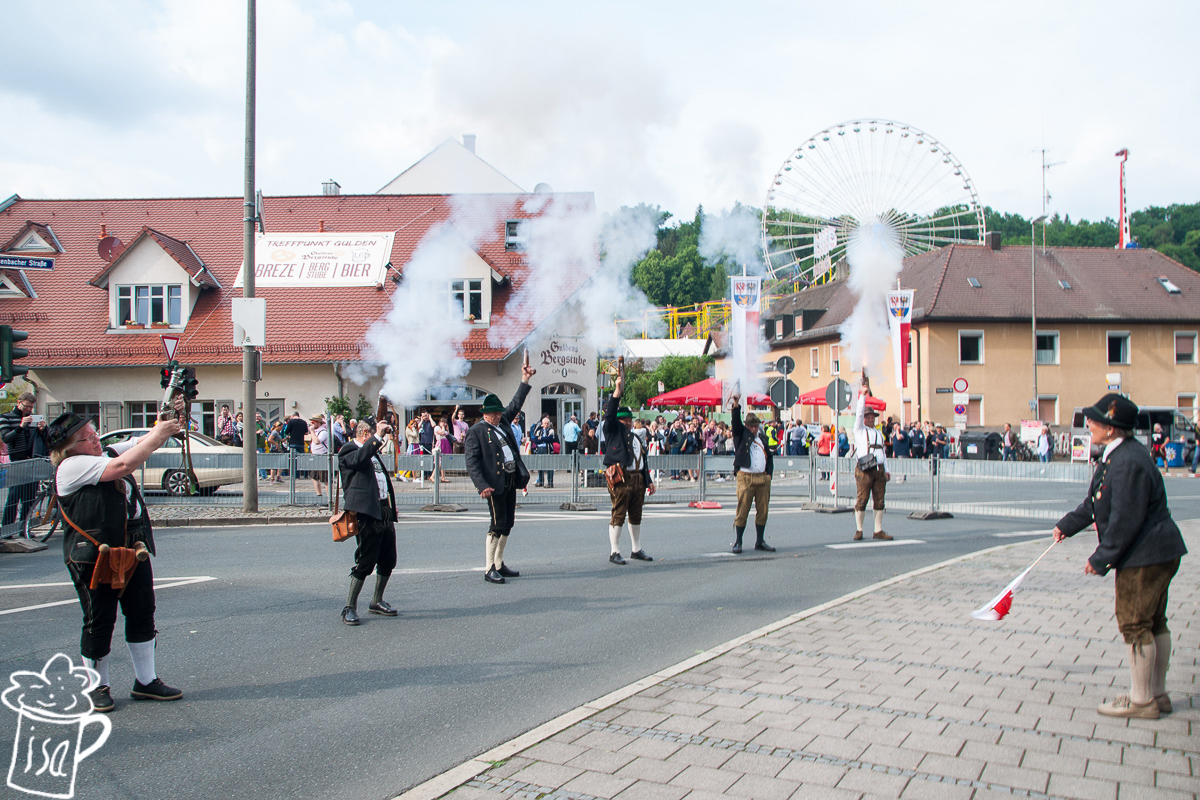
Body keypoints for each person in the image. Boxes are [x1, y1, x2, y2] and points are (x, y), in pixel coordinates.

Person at [1053, 393, 1186, 719]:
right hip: (1156, 550)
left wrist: (1101, 558)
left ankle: (1142, 701)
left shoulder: (1127, 462)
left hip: (1145, 555)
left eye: (1095, 421)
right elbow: (1096, 503)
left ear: (1111, 428)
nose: (1089, 425)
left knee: (1135, 623)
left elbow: (1126, 519)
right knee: (1154, 622)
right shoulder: (1120, 454)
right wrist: (1067, 526)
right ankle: (1157, 695)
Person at [47, 403, 187, 711]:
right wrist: (160, 433)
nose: (95, 439)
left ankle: (146, 681)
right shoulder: (70, 467)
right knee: (99, 620)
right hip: (93, 556)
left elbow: (143, 442)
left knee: (142, 612)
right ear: (70, 448)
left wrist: (167, 416)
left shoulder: (103, 453)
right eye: (86, 437)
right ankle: (97, 686)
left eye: (93, 432)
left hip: (131, 549)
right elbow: (123, 467)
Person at [465, 360, 535, 584]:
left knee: (508, 523)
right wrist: (481, 485)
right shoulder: (476, 432)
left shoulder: (503, 421)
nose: (498, 416)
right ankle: (488, 568)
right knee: (496, 525)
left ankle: (499, 563)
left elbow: (516, 402)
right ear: (485, 414)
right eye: (494, 414)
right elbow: (472, 462)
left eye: (499, 413)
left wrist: (525, 380)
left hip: (509, 480)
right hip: (493, 483)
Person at [337, 419, 399, 625]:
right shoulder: (349, 449)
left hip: (382, 509)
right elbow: (359, 461)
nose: (377, 441)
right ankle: (350, 606)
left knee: (388, 558)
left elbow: (381, 481)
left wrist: (391, 505)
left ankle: (376, 600)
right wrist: (378, 437)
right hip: (366, 512)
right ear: (365, 434)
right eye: (372, 435)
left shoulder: (371, 452)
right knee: (365, 560)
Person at [603, 366, 655, 565]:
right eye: (623, 420)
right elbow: (610, 413)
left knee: (636, 514)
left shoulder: (636, 437)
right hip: (620, 476)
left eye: (629, 420)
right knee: (618, 513)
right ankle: (614, 551)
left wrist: (648, 481)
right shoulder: (612, 430)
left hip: (637, 478)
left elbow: (643, 461)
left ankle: (636, 549)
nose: (627, 423)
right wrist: (617, 391)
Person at [729, 394, 776, 554]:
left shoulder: (761, 438)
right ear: (747, 426)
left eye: (756, 426)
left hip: (762, 478)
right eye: (751, 426)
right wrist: (736, 404)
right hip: (746, 477)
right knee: (743, 509)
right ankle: (738, 541)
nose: (754, 429)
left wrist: (769, 474)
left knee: (763, 510)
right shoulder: (741, 435)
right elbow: (735, 422)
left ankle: (760, 541)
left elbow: (769, 458)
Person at [852, 376, 891, 541]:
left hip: (879, 468)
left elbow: (883, 453)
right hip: (864, 468)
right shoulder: (859, 430)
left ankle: (878, 529)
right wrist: (862, 395)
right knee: (862, 499)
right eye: (868, 417)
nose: (870, 419)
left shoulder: (878, 433)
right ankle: (859, 530)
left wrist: (887, 470)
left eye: (872, 417)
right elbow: (859, 413)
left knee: (880, 499)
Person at [1, 392, 47, 528]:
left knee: (29, 499)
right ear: (19, 403)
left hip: (31, 462)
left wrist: (42, 430)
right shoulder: (6, 418)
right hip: (17, 462)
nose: (28, 410)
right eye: (27, 406)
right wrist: (20, 427)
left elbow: (38, 440)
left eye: (31, 408)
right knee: (13, 497)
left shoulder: (32, 418)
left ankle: (24, 529)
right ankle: (7, 528)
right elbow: (6, 438)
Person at [532, 415, 558, 488]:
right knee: (540, 466)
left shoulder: (551, 431)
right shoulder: (539, 431)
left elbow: (550, 439)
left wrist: (542, 438)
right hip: (539, 449)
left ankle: (550, 482)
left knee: (549, 467)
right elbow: (536, 441)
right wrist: (543, 439)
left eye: (547, 423)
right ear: (542, 424)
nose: (546, 424)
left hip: (547, 450)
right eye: (545, 423)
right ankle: (540, 481)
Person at [309, 415, 329, 497]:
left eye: (313, 422)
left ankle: (329, 497)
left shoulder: (323, 432)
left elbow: (317, 441)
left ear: (318, 422)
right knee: (314, 476)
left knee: (325, 478)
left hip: (323, 456)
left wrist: (312, 432)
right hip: (316, 456)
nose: (312, 424)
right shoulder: (317, 432)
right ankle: (319, 494)